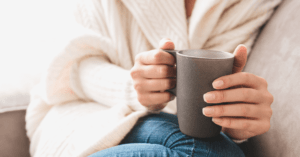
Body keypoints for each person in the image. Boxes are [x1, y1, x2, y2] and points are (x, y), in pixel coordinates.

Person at [25, 0, 281, 156]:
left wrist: (234, 117)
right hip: (86, 116)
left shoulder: (249, 4)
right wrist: (129, 87)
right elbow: (65, 69)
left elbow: (216, 78)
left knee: (218, 151)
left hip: (173, 124)